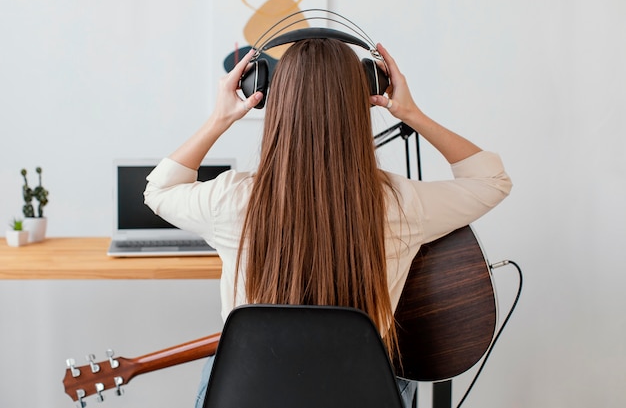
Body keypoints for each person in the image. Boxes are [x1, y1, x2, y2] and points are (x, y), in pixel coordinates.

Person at [144, 38, 512, 408]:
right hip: (362, 396)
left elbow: (159, 190)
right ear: (364, 98)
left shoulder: (231, 200)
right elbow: (491, 181)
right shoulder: (402, 204)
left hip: (249, 395)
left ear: (271, 98)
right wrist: (410, 112)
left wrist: (220, 117)